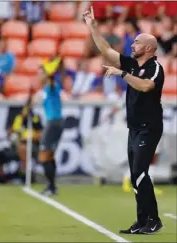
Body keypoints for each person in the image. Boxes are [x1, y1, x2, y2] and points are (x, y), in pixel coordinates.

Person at [83, 7, 164, 234]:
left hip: (150, 127)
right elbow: (106, 50)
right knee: (135, 175)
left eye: (137, 43)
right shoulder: (130, 64)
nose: (132, 45)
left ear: (148, 48)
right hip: (135, 127)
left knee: (139, 172)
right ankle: (141, 221)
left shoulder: (154, 68)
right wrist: (92, 26)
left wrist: (122, 75)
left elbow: (146, 85)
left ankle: (154, 220)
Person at [37, 57, 64, 196]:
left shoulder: (52, 85)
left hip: (53, 123)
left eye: (40, 73)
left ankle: (51, 187)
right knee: (50, 155)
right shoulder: (47, 88)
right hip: (56, 122)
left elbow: (52, 81)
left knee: (43, 156)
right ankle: (52, 187)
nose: (38, 76)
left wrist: (51, 70)